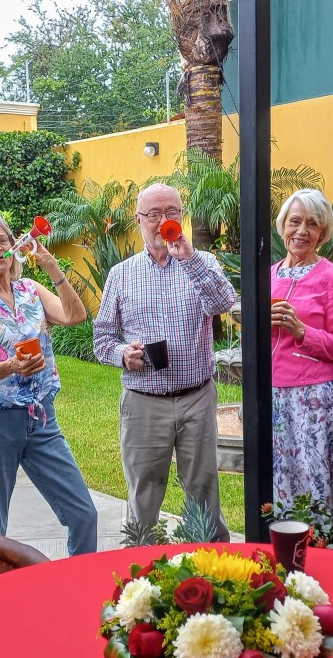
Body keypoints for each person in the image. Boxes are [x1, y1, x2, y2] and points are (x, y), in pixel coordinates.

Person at [93, 183, 237, 541]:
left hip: (196, 397)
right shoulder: (121, 274)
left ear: (181, 216)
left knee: (203, 490)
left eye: (171, 212)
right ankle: (143, 567)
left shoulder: (203, 262)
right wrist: (123, 355)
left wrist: (189, 260)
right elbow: (102, 339)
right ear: (139, 220)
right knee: (144, 494)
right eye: (154, 214)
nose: (162, 222)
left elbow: (224, 303)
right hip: (143, 402)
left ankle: (213, 563)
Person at [0, 214, 98, 556]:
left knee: (84, 514)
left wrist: (50, 265)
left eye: (3, 240)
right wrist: (10, 367)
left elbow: (75, 316)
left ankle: (81, 583)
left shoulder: (30, 290)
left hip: (41, 419)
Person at [270, 189, 333, 516]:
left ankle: (326, 545)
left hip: (315, 400)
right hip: (272, 397)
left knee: (317, 486)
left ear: (322, 232)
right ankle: (278, 546)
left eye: (312, 224)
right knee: (277, 485)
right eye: (295, 221)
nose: (301, 231)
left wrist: (302, 332)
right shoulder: (266, 277)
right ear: (283, 226)